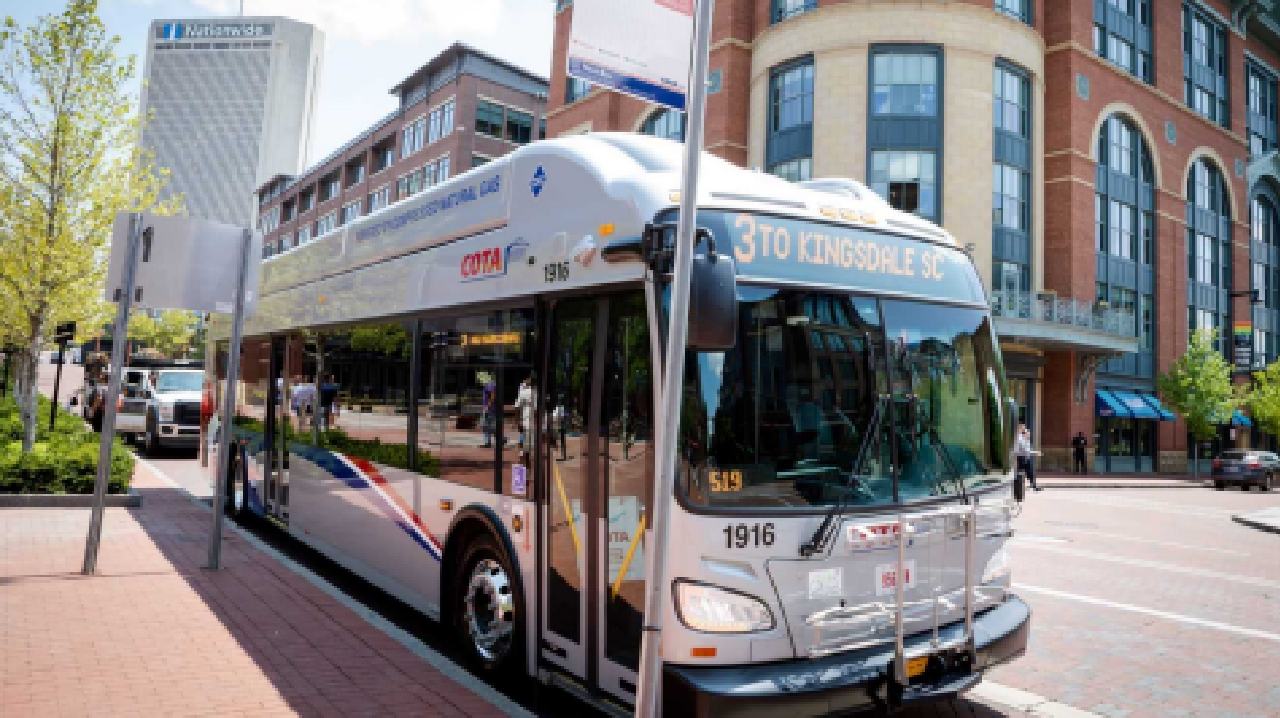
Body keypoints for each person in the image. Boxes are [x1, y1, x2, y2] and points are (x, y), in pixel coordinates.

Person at [1014, 423, 1041, 491]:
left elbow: (1028, 450)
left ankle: (1034, 485)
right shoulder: (1020, 439)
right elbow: (1025, 450)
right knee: (1019, 473)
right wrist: (1036, 453)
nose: (1029, 434)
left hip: (1027, 457)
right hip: (1021, 457)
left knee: (1030, 472)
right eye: (1027, 432)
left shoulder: (1026, 440)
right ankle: (1018, 487)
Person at [514, 373, 536, 449]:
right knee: (529, 440)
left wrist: (517, 420)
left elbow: (517, 406)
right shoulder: (525, 388)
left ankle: (523, 452)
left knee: (527, 438)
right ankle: (524, 450)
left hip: (526, 416)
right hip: (529, 416)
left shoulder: (527, 390)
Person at [481, 376, 497, 448]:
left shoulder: (489, 384)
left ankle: (501, 438)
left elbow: (493, 395)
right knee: (488, 425)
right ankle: (487, 442)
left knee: (488, 425)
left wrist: (488, 406)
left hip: (490, 408)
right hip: (491, 408)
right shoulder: (490, 384)